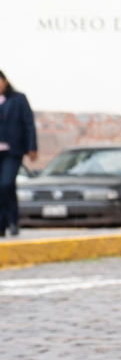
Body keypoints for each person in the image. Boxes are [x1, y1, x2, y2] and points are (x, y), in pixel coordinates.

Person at [0, 70, 38, 236]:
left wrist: (32, 147)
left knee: (7, 184)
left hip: (12, 151)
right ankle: (2, 226)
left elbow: (28, 123)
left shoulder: (18, 99)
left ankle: (13, 220)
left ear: (4, 81)